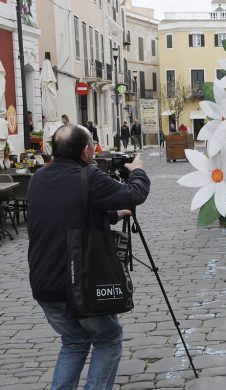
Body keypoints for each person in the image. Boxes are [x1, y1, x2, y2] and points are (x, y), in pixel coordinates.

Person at [27, 124, 150, 389]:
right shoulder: (89, 177)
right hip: (79, 284)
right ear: (85, 150)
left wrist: (114, 215)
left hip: (44, 284)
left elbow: (65, 214)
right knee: (108, 339)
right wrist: (137, 170)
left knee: (74, 342)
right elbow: (134, 194)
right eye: (93, 142)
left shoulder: (38, 178)